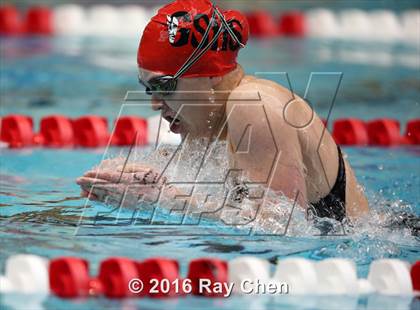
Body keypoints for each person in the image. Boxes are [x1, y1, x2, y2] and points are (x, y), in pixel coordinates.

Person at [77, 0, 369, 226]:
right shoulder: (209, 118)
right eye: (148, 89)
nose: (154, 103)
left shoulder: (253, 106)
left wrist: (162, 198)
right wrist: (133, 175)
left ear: (211, 75)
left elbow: (283, 228)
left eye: (164, 86)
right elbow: (205, 179)